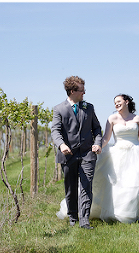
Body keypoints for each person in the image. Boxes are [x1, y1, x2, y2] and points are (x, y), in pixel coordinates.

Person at [58, 94, 139, 224]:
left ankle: (136, 212)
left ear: (127, 102)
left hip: (136, 152)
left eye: (119, 101)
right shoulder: (112, 118)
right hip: (118, 152)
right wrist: (98, 146)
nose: (116, 104)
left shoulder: (137, 118)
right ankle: (119, 212)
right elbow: (106, 138)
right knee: (119, 183)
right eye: (115, 103)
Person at [51, 76, 103, 230]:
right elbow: (55, 130)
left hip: (87, 154)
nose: (84, 93)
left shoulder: (89, 107)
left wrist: (97, 143)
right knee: (70, 187)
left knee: (86, 186)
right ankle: (73, 216)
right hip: (68, 155)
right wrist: (61, 145)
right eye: (82, 90)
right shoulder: (58, 109)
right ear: (72, 91)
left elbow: (97, 129)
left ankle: (85, 220)